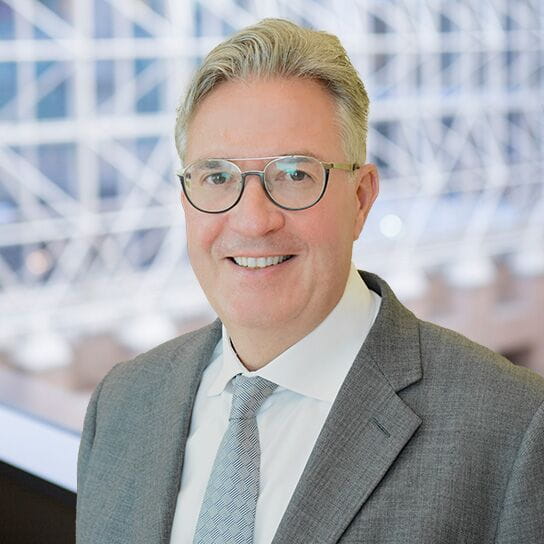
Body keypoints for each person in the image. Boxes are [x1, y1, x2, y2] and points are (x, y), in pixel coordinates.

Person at [76, 18, 544, 544]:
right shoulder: (121, 403)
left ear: (361, 199)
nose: (253, 221)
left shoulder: (514, 430)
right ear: (186, 199)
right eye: (217, 177)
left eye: (295, 175)